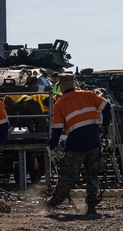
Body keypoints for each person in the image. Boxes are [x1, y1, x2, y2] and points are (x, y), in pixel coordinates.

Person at [44, 73, 112, 217]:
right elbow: (107, 107)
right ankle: (92, 207)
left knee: (68, 175)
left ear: (61, 86)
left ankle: (53, 203)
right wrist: (105, 126)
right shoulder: (89, 95)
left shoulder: (60, 103)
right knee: (92, 175)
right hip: (94, 141)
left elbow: (56, 129)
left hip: (75, 144)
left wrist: (52, 146)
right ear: (73, 83)